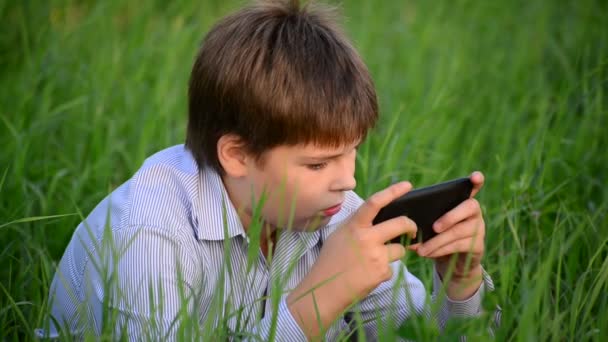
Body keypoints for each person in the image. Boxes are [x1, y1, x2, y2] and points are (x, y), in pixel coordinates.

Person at [38, 0, 499, 340]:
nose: (348, 180)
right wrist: (318, 301)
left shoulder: (332, 212)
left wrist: (458, 285)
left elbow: (419, 334)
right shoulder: (150, 234)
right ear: (237, 155)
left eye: (351, 151)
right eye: (317, 163)